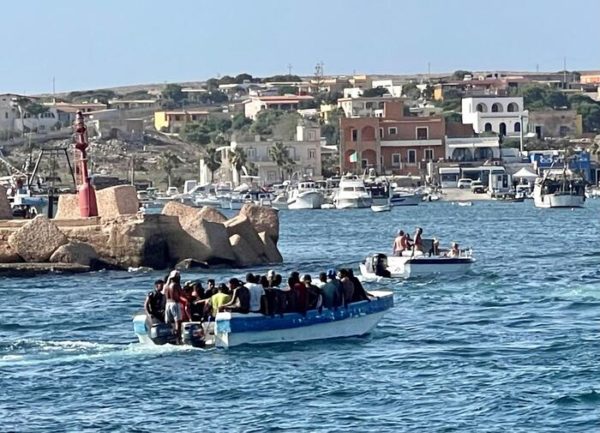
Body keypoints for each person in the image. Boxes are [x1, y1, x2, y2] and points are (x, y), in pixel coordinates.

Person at [164, 270, 184, 343]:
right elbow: (182, 293)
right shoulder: (176, 285)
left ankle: (169, 338)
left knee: (168, 322)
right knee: (177, 322)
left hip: (167, 304)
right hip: (174, 303)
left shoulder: (166, 286)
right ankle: (178, 339)